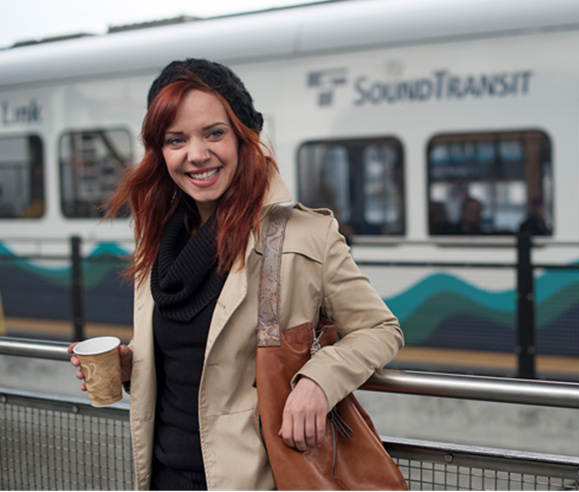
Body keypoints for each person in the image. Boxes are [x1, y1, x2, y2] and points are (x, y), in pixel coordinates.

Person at [67, 59, 404, 491]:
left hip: (253, 479)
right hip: (163, 476)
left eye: (214, 133)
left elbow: (380, 328)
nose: (196, 154)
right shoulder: (158, 238)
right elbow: (192, 354)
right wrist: (134, 364)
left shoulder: (305, 235)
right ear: (160, 152)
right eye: (176, 140)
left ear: (244, 137)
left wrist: (320, 380)